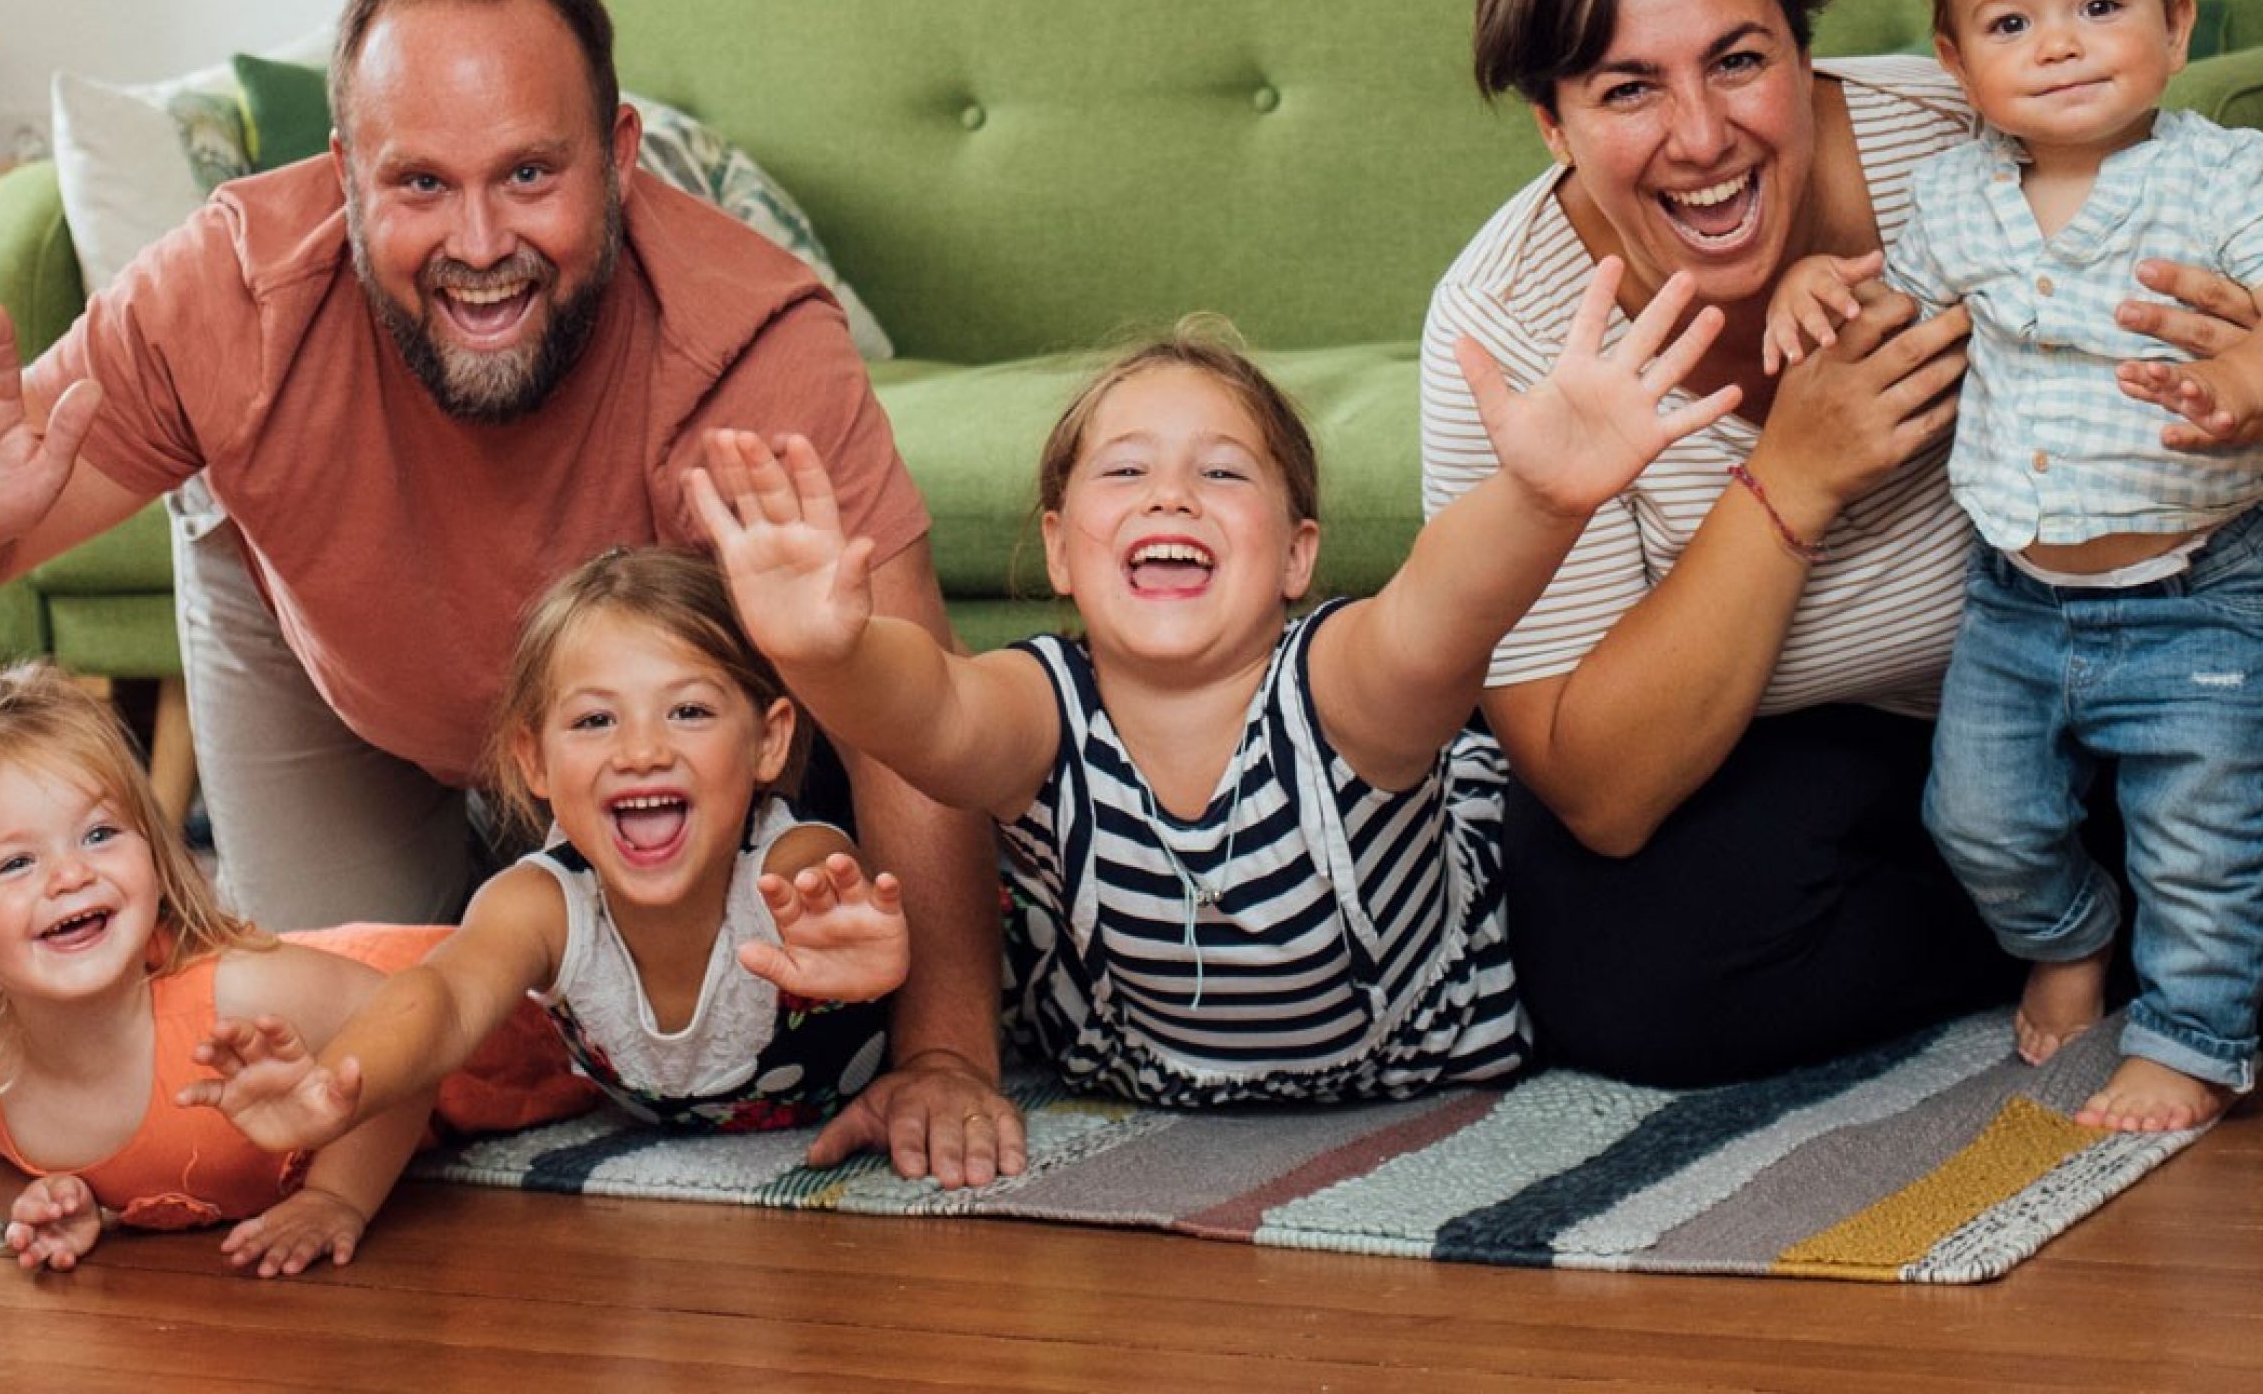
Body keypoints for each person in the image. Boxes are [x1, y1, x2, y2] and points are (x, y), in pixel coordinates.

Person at [0, 0, 1024, 1188]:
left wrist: (949, 1053)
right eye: (418, 185)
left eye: (528, 173)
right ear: (345, 173)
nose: (477, 243)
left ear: (618, 160)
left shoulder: (751, 339)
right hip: (339, 672)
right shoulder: (230, 286)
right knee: (353, 1051)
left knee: (620, 1009)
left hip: (625, 736)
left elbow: (914, 701)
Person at [1420, 0, 2263, 1091]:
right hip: (1808, 745)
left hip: (2146, 629)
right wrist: (1794, 480)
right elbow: (1597, 790)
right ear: (1551, 120)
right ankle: (2062, 920)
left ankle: (2104, 893)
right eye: (1627, 89)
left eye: (1741, 60)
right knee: (1634, 991)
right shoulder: (1507, 327)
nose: (1702, 135)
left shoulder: (2001, 135)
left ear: (1804, 52)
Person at [690, 301, 1734, 1106]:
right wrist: (824, 654)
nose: (1170, 494)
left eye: (1223, 472)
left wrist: (1539, 501)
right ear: (1058, 545)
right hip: (1128, 1049)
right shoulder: (1044, 710)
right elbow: (933, 715)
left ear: (1297, 554)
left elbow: (1432, 618)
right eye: (1127, 469)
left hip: (1426, 1031)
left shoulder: (1337, 688)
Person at [1768, 0, 2263, 1131]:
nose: (2064, 46)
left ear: (2176, 21)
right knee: (1976, 816)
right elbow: (1899, 308)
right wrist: (1820, 288)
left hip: (2200, 596)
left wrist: (2258, 378)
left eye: (2101, 6)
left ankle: (2192, 1042)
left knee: (2203, 837)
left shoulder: (2215, 173)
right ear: (1958, 63)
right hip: (2017, 602)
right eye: (2013, 24)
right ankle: (2074, 930)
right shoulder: (1960, 191)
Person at [0, 661, 584, 1277]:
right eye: (17, 862)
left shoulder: (242, 994)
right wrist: (28, 1200)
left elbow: (416, 1036)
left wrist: (338, 1197)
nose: (71, 875)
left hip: (474, 1009)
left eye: (101, 833)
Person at [187, 549, 909, 1149]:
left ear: (769, 740)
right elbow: (442, 996)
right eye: (595, 719)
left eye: (688, 711)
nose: (642, 750)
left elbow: (825, 882)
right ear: (533, 761)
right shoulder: (542, 904)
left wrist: (858, 944)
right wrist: (332, 1085)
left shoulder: (789, 870)